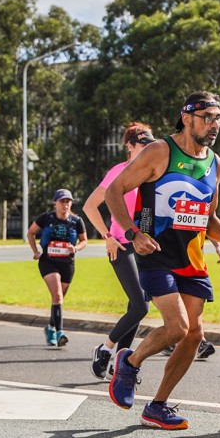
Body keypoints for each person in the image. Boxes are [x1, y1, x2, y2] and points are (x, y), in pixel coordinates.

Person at [105, 91, 220, 430]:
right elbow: (115, 191)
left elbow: (208, 218)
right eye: (208, 118)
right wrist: (132, 233)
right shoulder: (160, 151)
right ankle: (131, 361)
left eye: (218, 119)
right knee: (178, 327)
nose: (214, 125)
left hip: (192, 258)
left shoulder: (215, 163)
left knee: (193, 335)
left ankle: (157, 406)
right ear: (187, 118)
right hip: (156, 252)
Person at [83, 123, 154, 379]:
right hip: (121, 245)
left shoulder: (152, 174)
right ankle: (105, 348)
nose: (148, 149)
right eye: (143, 145)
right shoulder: (119, 171)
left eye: (150, 145)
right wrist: (107, 237)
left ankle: (121, 364)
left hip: (144, 247)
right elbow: (90, 206)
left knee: (138, 304)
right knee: (140, 306)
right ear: (130, 146)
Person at [27, 189, 88, 347]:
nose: (65, 204)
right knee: (58, 296)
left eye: (68, 201)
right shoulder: (46, 218)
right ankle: (60, 332)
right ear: (55, 203)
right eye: (62, 201)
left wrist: (76, 248)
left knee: (58, 299)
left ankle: (50, 328)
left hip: (67, 263)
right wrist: (35, 252)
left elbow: (84, 241)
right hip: (49, 261)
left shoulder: (76, 221)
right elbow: (31, 233)